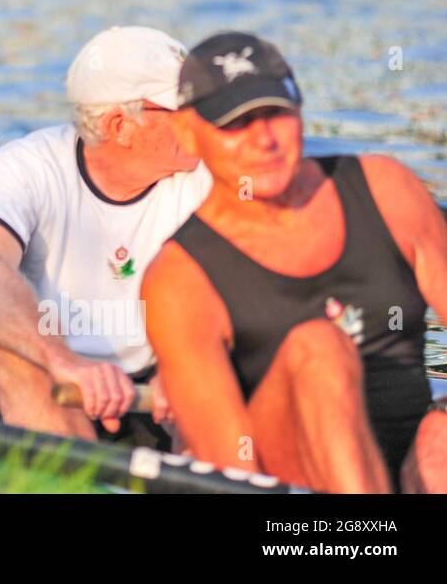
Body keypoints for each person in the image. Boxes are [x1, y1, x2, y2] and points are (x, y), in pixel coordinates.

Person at [143, 31, 447, 493]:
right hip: (287, 482)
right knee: (318, 347)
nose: (263, 140)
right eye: (235, 123)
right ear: (188, 132)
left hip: (408, 464)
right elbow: (232, 468)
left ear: (300, 111)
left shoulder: (387, 190)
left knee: (441, 436)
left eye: (275, 115)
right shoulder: (180, 279)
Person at [0, 26, 210, 444]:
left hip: (155, 384)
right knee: (9, 354)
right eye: (184, 109)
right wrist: (64, 362)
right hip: (48, 378)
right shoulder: (24, 167)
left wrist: (187, 358)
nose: (204, 122)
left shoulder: (206, 175)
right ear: (120, 125)